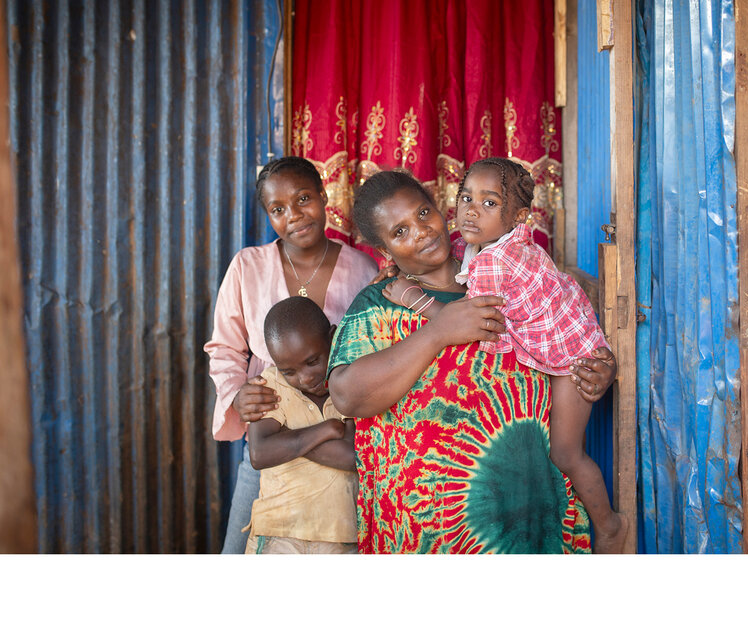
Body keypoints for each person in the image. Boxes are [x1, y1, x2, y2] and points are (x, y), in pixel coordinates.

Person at [327, 169, 619, 553]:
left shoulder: (511, 276)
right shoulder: (381, 302)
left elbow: (561, 335)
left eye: (422, 214)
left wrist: (600, 369)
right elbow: (348, 396)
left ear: (438, 208)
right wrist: (437, 331)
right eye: (399, 233)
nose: (421, 231)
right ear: (384, 252)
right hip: (430, 534)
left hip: (531, 517)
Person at [204, 156, 379, 554]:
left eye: (303, 199)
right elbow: (224, 347)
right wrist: (235, 393)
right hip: (271, 435)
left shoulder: (362, 269)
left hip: (342, 437)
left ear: (323, 195)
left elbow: (375, 347)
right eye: (277, 209)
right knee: (243, 549)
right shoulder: (248, 266)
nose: (294, 216)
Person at [243, 297, 358, 554]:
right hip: (278, 532)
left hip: (340, 535)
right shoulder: (270, 385)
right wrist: (327, 429)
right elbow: (260, 454)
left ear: (332, 337)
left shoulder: (351, 381)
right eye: (289, 372)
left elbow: (351, 457)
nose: (305, 378)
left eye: (312, 361)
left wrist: (284, 438)